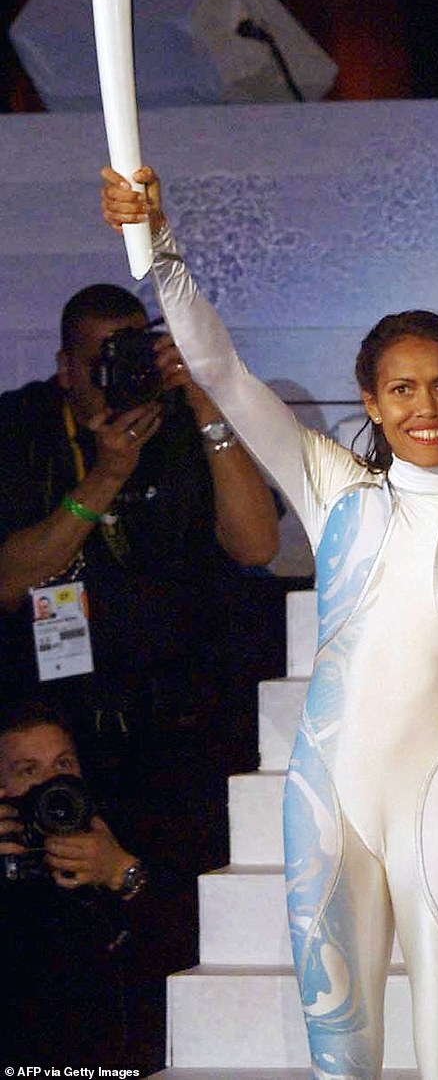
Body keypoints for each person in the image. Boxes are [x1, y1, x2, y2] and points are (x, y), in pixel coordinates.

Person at [101, 164, 438, 1080]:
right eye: (400, 389)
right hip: (325, 806)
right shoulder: (334, 489)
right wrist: (159, 248)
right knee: (339, 1062)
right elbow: (222, 371)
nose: (423, 407)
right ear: (369, 399)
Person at [0, 282, 280, 884]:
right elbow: (6, 580)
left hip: (184, 731)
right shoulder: (19, 432)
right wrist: (105, 476)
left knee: (177, 909)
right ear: (66, 369)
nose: (120, 374)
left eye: (134, 353)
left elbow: (257, 545)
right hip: (66, 746)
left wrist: (208, 404)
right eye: (103, 359)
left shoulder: (183, 423)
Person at [0, 697, 182, 1070]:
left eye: (63, 764)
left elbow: (186, 953)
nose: (53, 785)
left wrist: (122, 873)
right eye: (29, 770)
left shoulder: (119, 838)